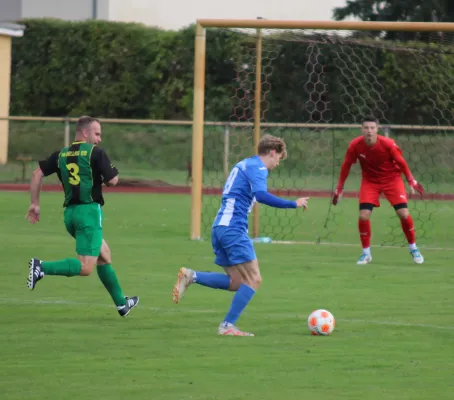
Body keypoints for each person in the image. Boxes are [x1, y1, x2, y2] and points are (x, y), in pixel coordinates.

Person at [172, 134, 309, 336]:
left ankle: (191, 276)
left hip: (220, 228)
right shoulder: (258, 168)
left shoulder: (245, 164)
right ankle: (227, 326)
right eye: (279, 158)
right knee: (254, 279)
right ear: (272, 152)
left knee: (237, 282)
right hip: (233, 229)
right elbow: (261, 195)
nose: (277, 163)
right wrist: (292, 204)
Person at [25, 116, 139, 317]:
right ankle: (41, 267)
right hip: (88, 214)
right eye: (97, 134)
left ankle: (122, 304)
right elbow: (113, 181)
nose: (99, 139)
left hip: (70, 215)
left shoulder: (62, 154)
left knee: (104, 255)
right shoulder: (96, 153)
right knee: (86, 267)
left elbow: (37, 174)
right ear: (85, 133)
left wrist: (35, 204)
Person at [332, 115, 425, 265]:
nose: (369, 131)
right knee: (363, 216)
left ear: (377, 129)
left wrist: (411, 180)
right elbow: (346, 166)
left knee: (403, 213)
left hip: (392, 180)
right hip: (370, 182)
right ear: (361, 129)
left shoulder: (387, 144)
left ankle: (413, 247)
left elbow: (401, 162)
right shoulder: (355, 145)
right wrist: (339, 188)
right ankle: (366, 253)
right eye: (366, 128)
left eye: (372, 128)